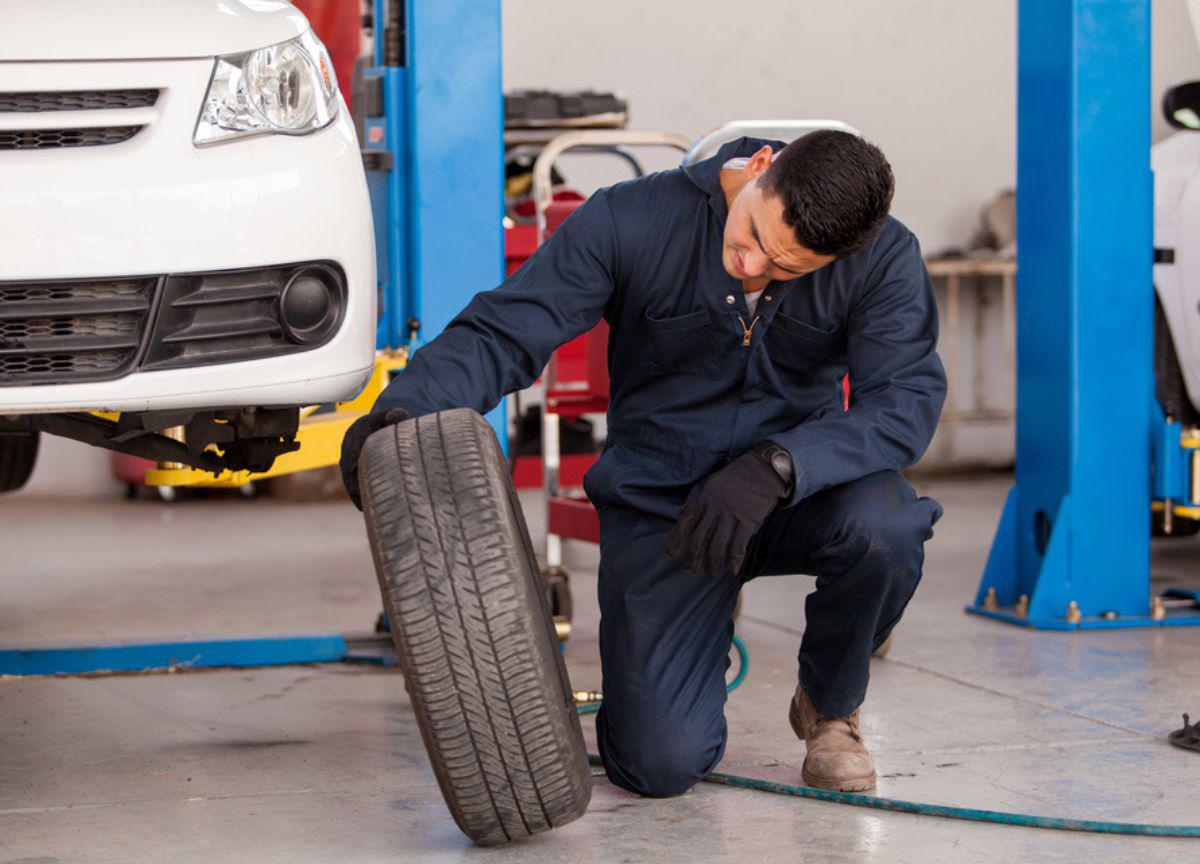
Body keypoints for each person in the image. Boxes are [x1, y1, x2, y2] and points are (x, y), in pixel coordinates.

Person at [340, 130, 945, 797]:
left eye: (785, 268)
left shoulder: (884, 256)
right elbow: (508, 330)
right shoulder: (630, 218)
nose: (751, 267)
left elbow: (903, 405)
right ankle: (699, 621)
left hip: (791, 495)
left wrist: (781, 466)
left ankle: (829, 706)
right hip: (667, 504)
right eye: (752, 238)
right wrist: (402, 414)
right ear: (760, 168)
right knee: (658, 766)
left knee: (886, 525)